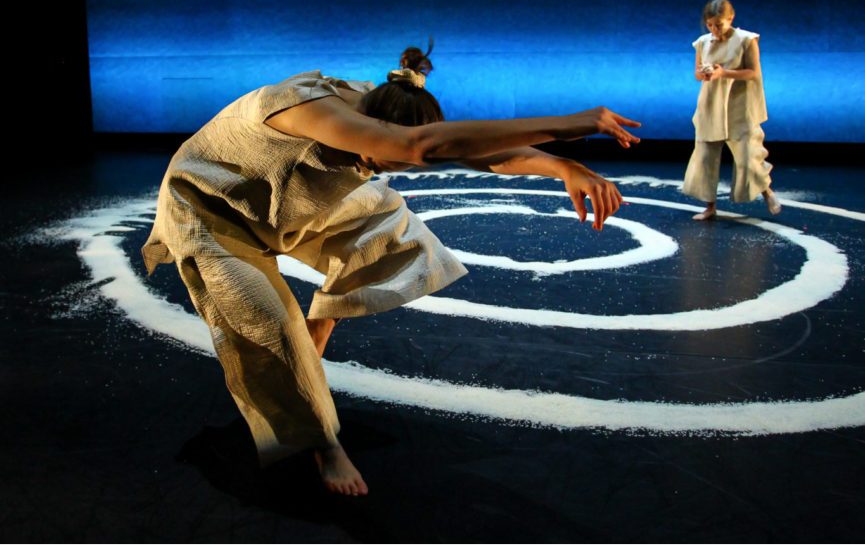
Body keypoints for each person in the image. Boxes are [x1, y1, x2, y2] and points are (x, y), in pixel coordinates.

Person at [141, 43, 641, 497]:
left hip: (291, 197)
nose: (387, 166)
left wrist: (563, 167)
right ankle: (324, 443)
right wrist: (575, 122)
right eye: (383, 158)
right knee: (270, 333)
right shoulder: (310, 108)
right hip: (212, 209)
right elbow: (422, 146)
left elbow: (464, 149)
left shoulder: (386, 107)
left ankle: (324, 318)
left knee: (394, 233)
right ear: (375, 128)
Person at [683, 0, 782, 220]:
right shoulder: (702, 43)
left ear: (730, 18)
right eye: (710, 24)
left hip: (739, 104)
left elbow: (753, 72)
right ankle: (710, 206)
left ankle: (766, 191)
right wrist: (705, 72)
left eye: (719, 24)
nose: (714, 29)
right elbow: (697, 74)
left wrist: (724, 73)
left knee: (748, 155)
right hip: (711, 104)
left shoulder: (746, 40)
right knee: (706, 155)